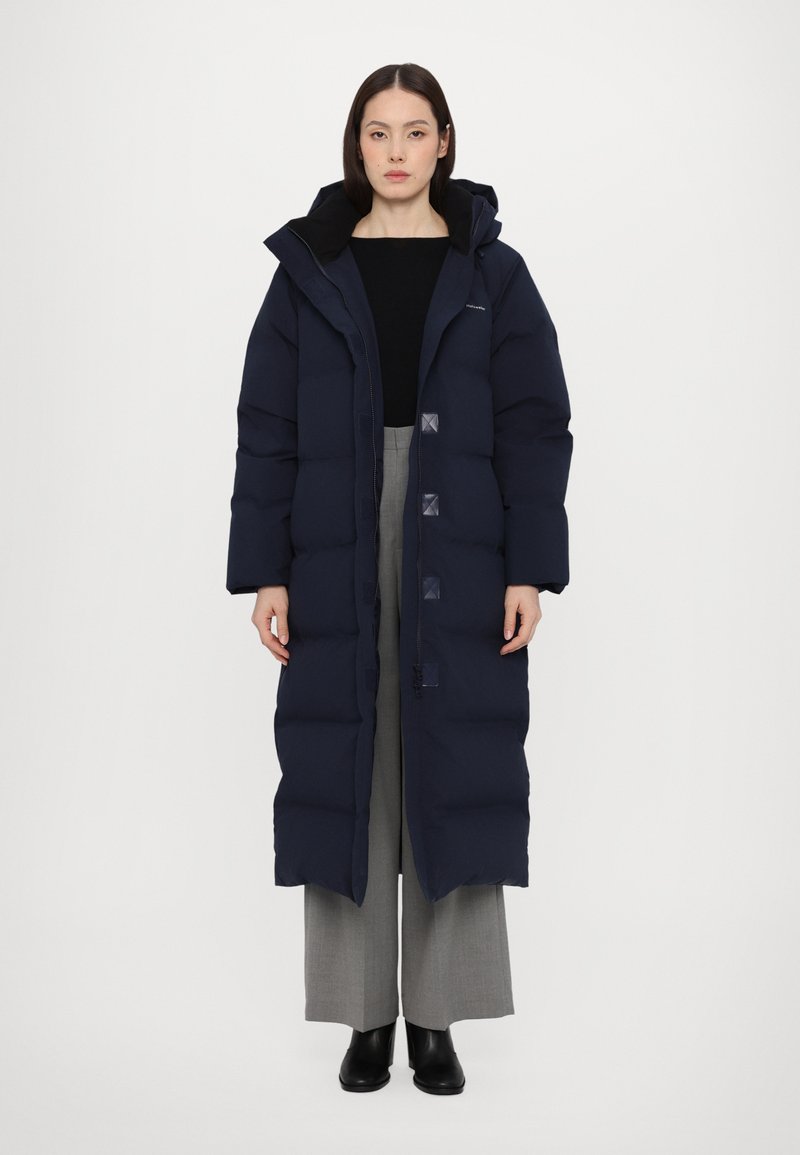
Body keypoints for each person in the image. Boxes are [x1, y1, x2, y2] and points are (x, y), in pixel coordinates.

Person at [226, 62, 573, 1095]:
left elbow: (534, 424)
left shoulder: (492, 273)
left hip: (459, 527)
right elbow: (266, 427)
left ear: (443, 144)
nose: (394, 151)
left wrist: (529, 569)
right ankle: (362, 1016)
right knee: (348, 761)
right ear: (356, 144)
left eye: (414, 131)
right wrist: (266, 572)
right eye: (376, 132)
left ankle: (437, 1016)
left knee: (450, 761)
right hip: (334, 524)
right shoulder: (308, 271)